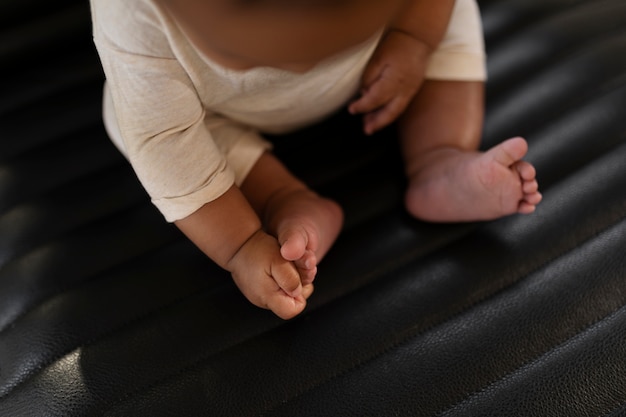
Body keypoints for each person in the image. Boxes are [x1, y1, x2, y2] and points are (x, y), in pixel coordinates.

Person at [90, 0, 542, 319]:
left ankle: (440, 156)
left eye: (321, 49)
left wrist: (413, 38)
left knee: (453, 10)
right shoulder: (132, 14)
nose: (299, 69)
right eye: (248, 55)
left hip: (385, 58)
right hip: (219, 106)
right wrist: (242, 247)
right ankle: (280, 195)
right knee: (130, 117)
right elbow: (168, 144)